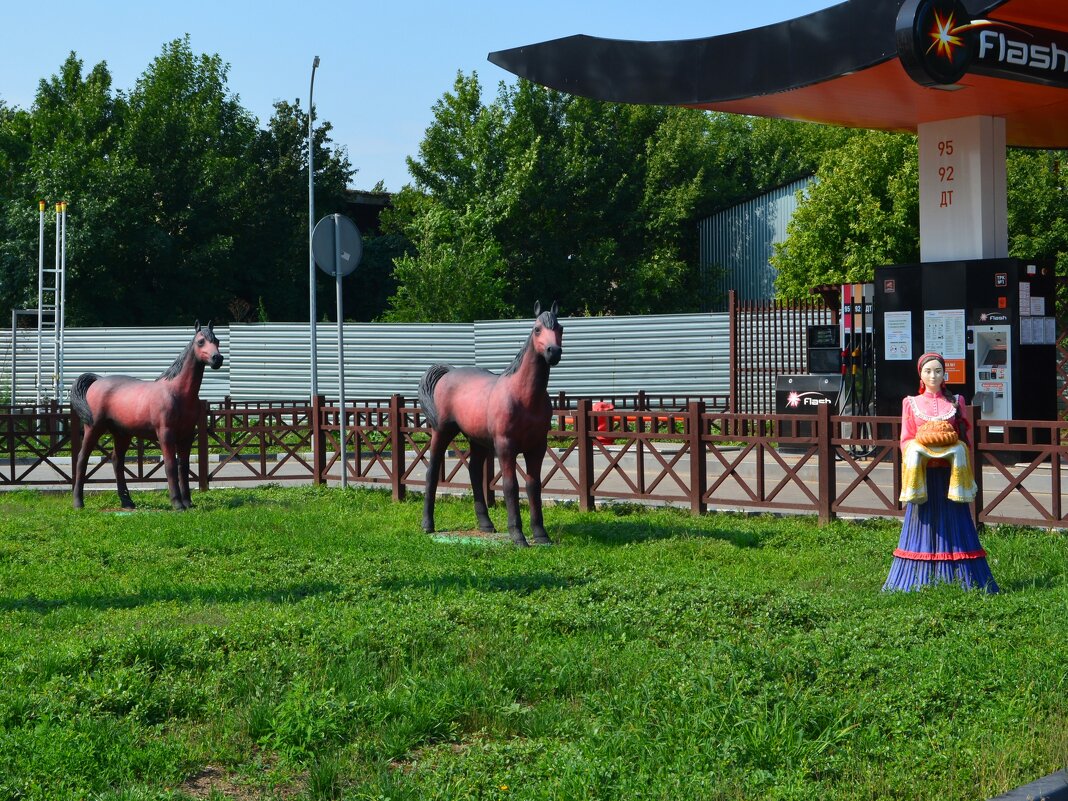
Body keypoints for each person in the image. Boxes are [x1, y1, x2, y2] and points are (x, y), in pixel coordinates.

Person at [882, 352, 999, 593]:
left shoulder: (956, 402)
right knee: (922, 524)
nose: (933, 376)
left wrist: (951, 448)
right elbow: (905, 440)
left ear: (944, 374)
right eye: (928, 371)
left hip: (950, 478)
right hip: (923, 479)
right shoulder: (910, 403)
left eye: (937, 371)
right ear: (921, 376)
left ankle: (961, 577)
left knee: (955, 522)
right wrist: (919, 451)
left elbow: (964, 439)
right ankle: (918, 578)